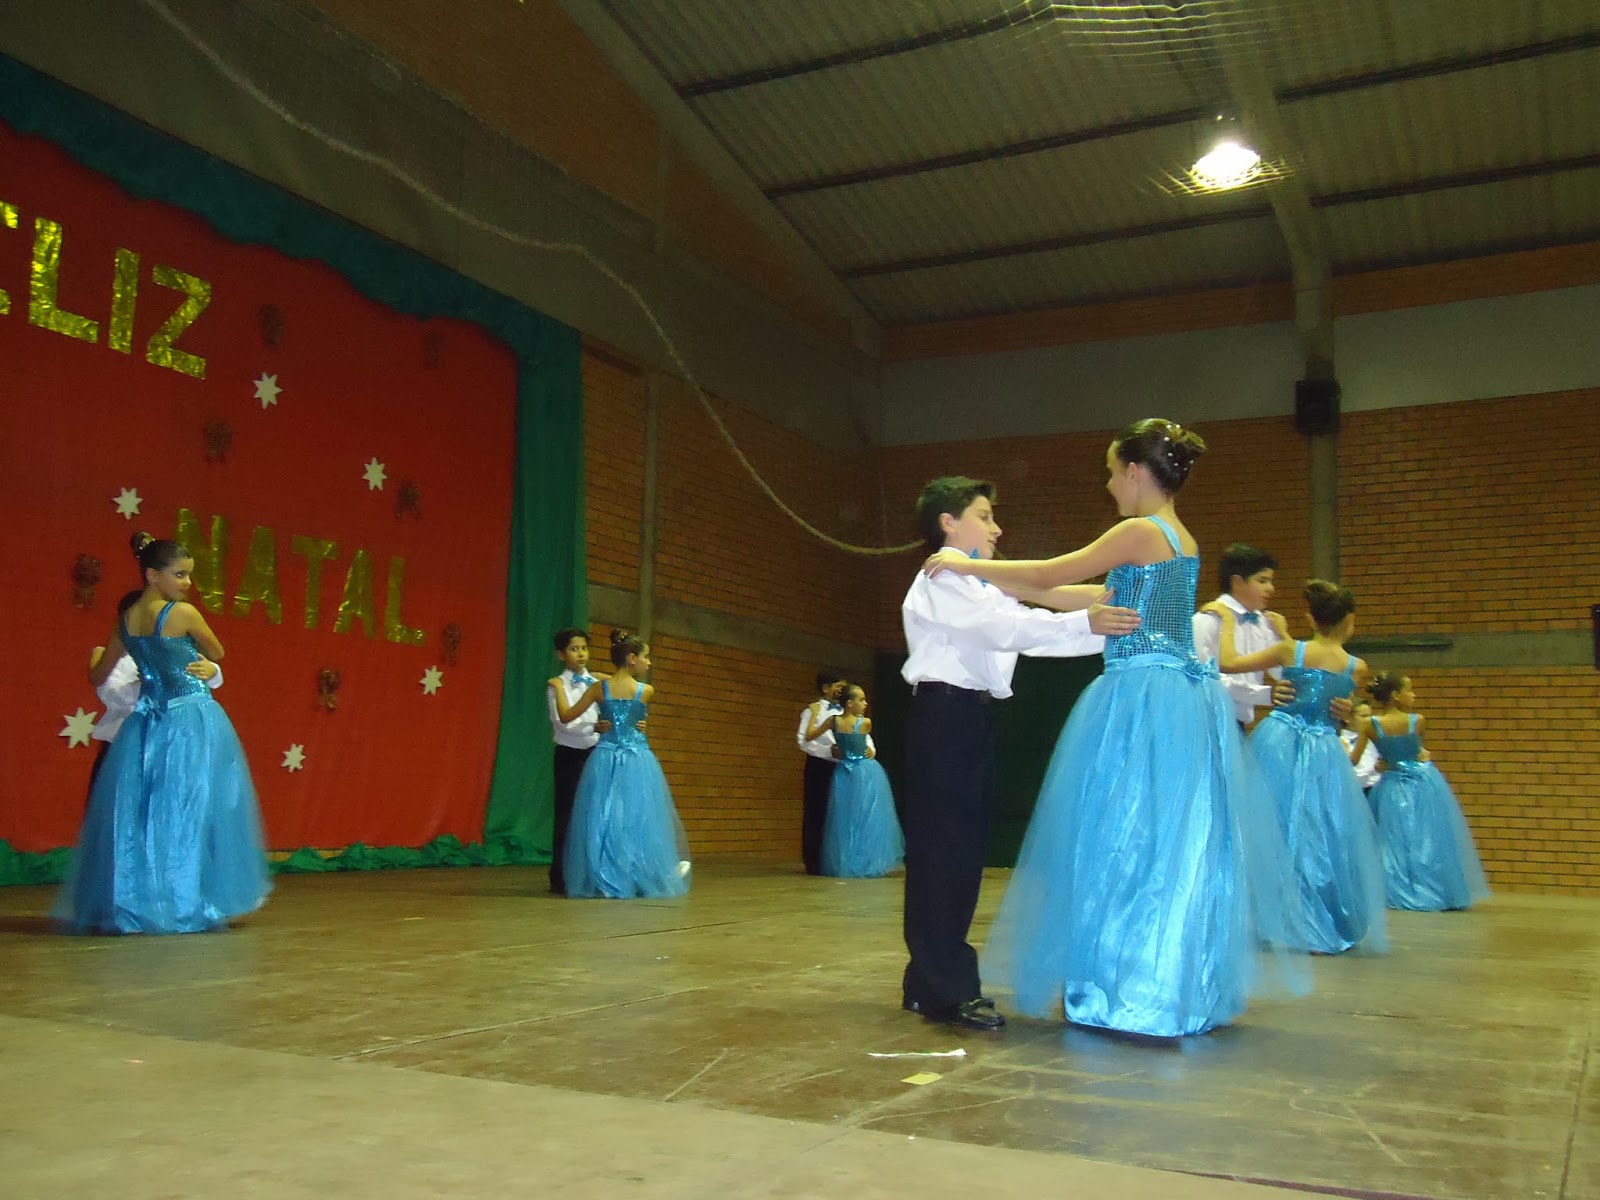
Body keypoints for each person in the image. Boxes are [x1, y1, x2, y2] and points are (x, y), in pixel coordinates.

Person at [929, 420, 1307, 1037]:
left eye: (1110, 472)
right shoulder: (1176, 537)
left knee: (1126, 834)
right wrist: (988, 578)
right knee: (1157, 838)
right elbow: (1082, 596)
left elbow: (1050, 573)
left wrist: (961, 563)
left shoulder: (1141, 530)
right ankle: (1157, 978)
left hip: (1142, 695)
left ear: (1135, 472)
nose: (1107, 485)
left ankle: (1134, 984)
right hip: (1171, 696)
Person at [899, 475, 1140, 1031]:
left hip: (967, 717)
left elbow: (1040, 614)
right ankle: (944, 990)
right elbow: (1008, 629)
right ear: (948, 523)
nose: (997, 528)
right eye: (984, 516)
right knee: (945, 854)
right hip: (945, 716)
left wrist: (1108, 620)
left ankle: (927, 982)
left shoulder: (979, 581)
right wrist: (1090, 623)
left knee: (957, 853)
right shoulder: (944, 575)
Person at [54, 537, 270, 934]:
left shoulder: (126, 621)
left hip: (146, 724)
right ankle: (183, 903)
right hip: (191, 718)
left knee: (145, 813)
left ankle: (139, 903)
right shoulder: (183, 613)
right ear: (153, 576)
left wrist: (124, 666)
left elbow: (99, 675)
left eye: (188, 575)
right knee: (189, 809)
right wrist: (204, 665)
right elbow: (217, 651)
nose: (187, 583)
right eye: (180, 575)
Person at [1209, 580, 1387, 954]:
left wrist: (1225, 620)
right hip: (1323, 749)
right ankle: (1315, 915)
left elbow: (1228, 662)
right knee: (1321, 829)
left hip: (1281, 741)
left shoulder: (1290, 649)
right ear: (1350, 621)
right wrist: (1346, 712)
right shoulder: (1356, 667)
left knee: (1270, 823)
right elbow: (1342, 709)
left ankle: (1269, 912)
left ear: (1310, 617)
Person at [562, 630, 690, 899]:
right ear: (632, 659)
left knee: (604, 816)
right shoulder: (645, 691)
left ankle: (604, 874)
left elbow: (567, 716)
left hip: (605, 756)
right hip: (637, 758)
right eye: (646, 657)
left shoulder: (599, 688)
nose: (649, 662)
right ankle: (636, 873)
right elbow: (635, 721)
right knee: (637, 816)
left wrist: (592, 722)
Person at [1349, 672, 1489, 911]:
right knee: (1426, 835)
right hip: (1423, 782)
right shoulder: (1417, 721)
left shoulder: (1371, 725)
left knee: (1393, 839)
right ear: (1396, 695)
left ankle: (1397, 887)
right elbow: (1418, 753)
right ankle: (1433, 886)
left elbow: (1354, 759)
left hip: (1393, 786)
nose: (1413, 695)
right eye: (1409, 690)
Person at [1192, 543, 1286, 728]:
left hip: (1239, 724)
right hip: (1206, 721)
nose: (1271, 589)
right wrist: (1263, 694)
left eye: (1271, 581)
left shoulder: (1265, 622)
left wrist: (1284, 635)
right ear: (1237, 582)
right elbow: (1204, 676)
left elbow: (1282, 671)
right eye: (1262, 581)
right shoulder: (1207, 619)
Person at [820, 684, 903, 878]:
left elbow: (865, 743)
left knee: (864, 815)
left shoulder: (860, 723)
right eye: (861, 700)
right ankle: (850, 860)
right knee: (848, 817)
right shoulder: (837, 721)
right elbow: (813, 738)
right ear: (850, 703)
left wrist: (870, 751)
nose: (865, 704)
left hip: (860, 771)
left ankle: (865, 860)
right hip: (851, 771)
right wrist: (831, 749)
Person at [546, 627, 602, 896]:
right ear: (561, 654)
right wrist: (595, 726)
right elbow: (564, 724)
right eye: (574, 649)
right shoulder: (557, 685)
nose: (581, 654)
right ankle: (561, 877)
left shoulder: (597, 683)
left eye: (584, 648)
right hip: (570, 755)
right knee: (567, 816)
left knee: (593, 815)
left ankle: (589, 874)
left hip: (594, 754)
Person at [797, 670, 844, 875]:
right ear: (825, 688)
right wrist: (827, 751)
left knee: (837, 812)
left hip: (841, 765)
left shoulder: (845, 711)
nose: (841, 691)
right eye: (838, 687)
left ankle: (834, 859)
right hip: (819, 764)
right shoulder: (812, 711)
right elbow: (803, 740)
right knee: (816, 810)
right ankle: (814, 860)